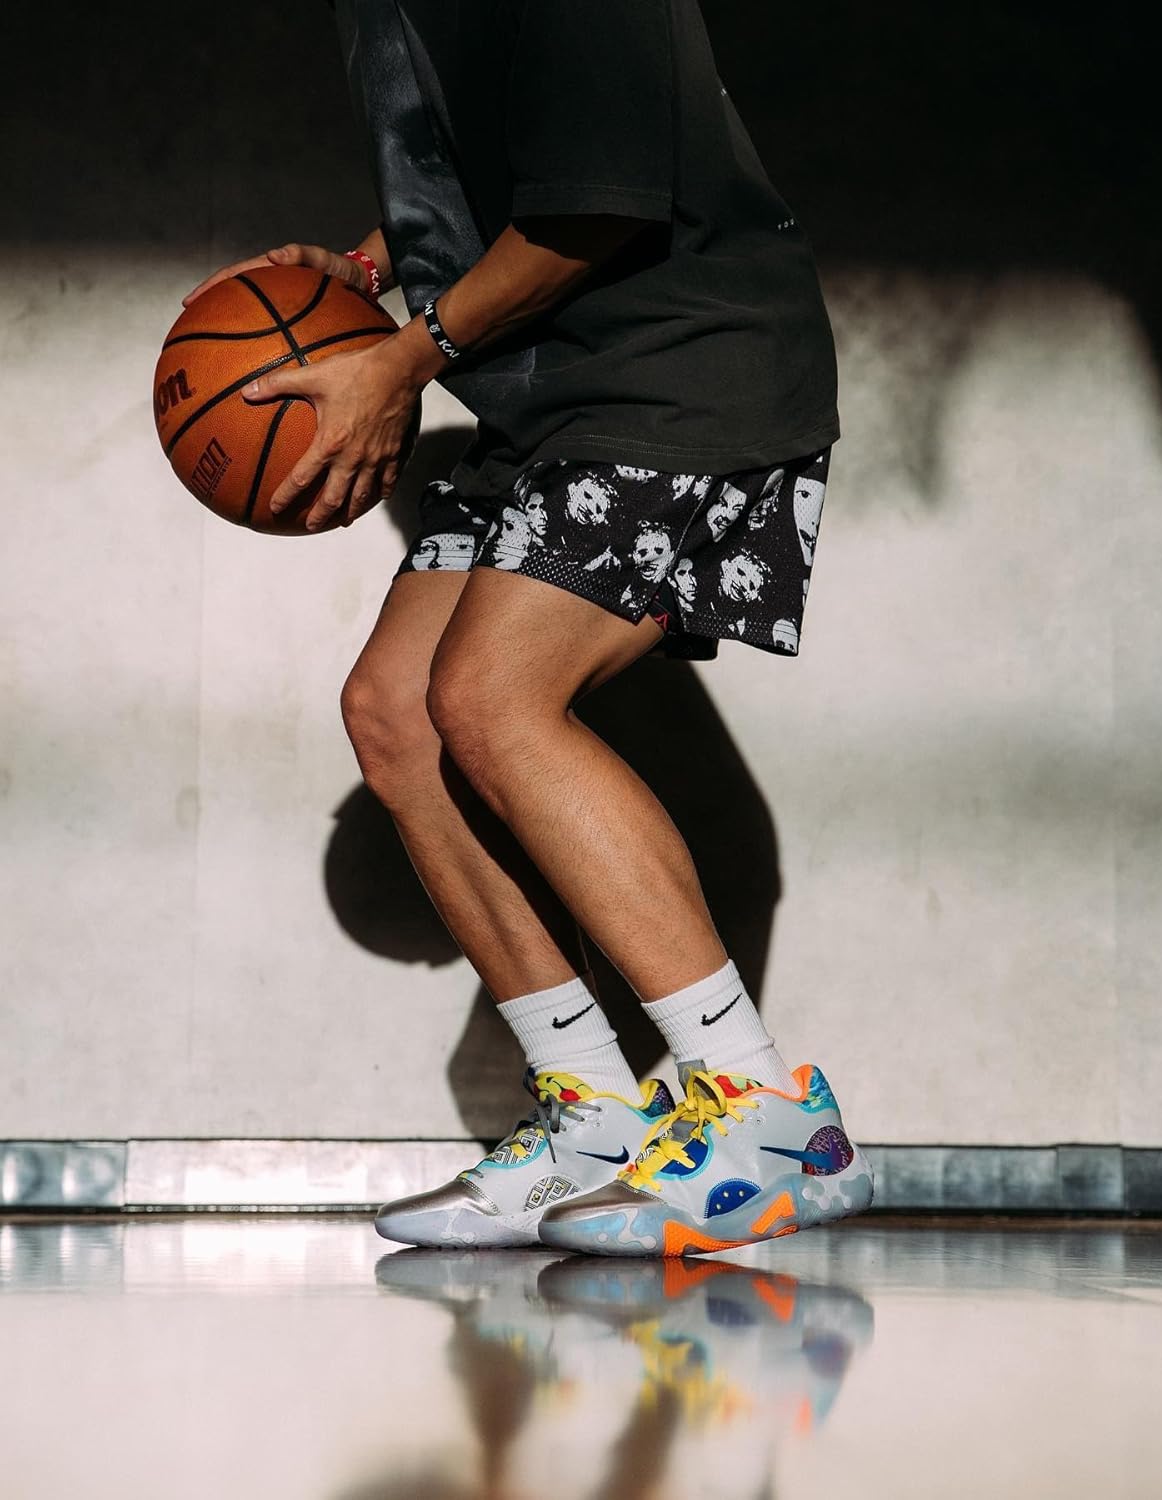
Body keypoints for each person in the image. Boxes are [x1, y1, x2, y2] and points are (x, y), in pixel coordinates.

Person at [183, 0, 873, 1257]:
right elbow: (498, 174)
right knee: (396, 715)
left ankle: (770, 1118)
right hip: (547, 400)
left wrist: (401, 361)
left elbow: (599, 206)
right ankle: (594, 1115)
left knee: (493, 699)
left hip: (680, 367)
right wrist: (375, 272)